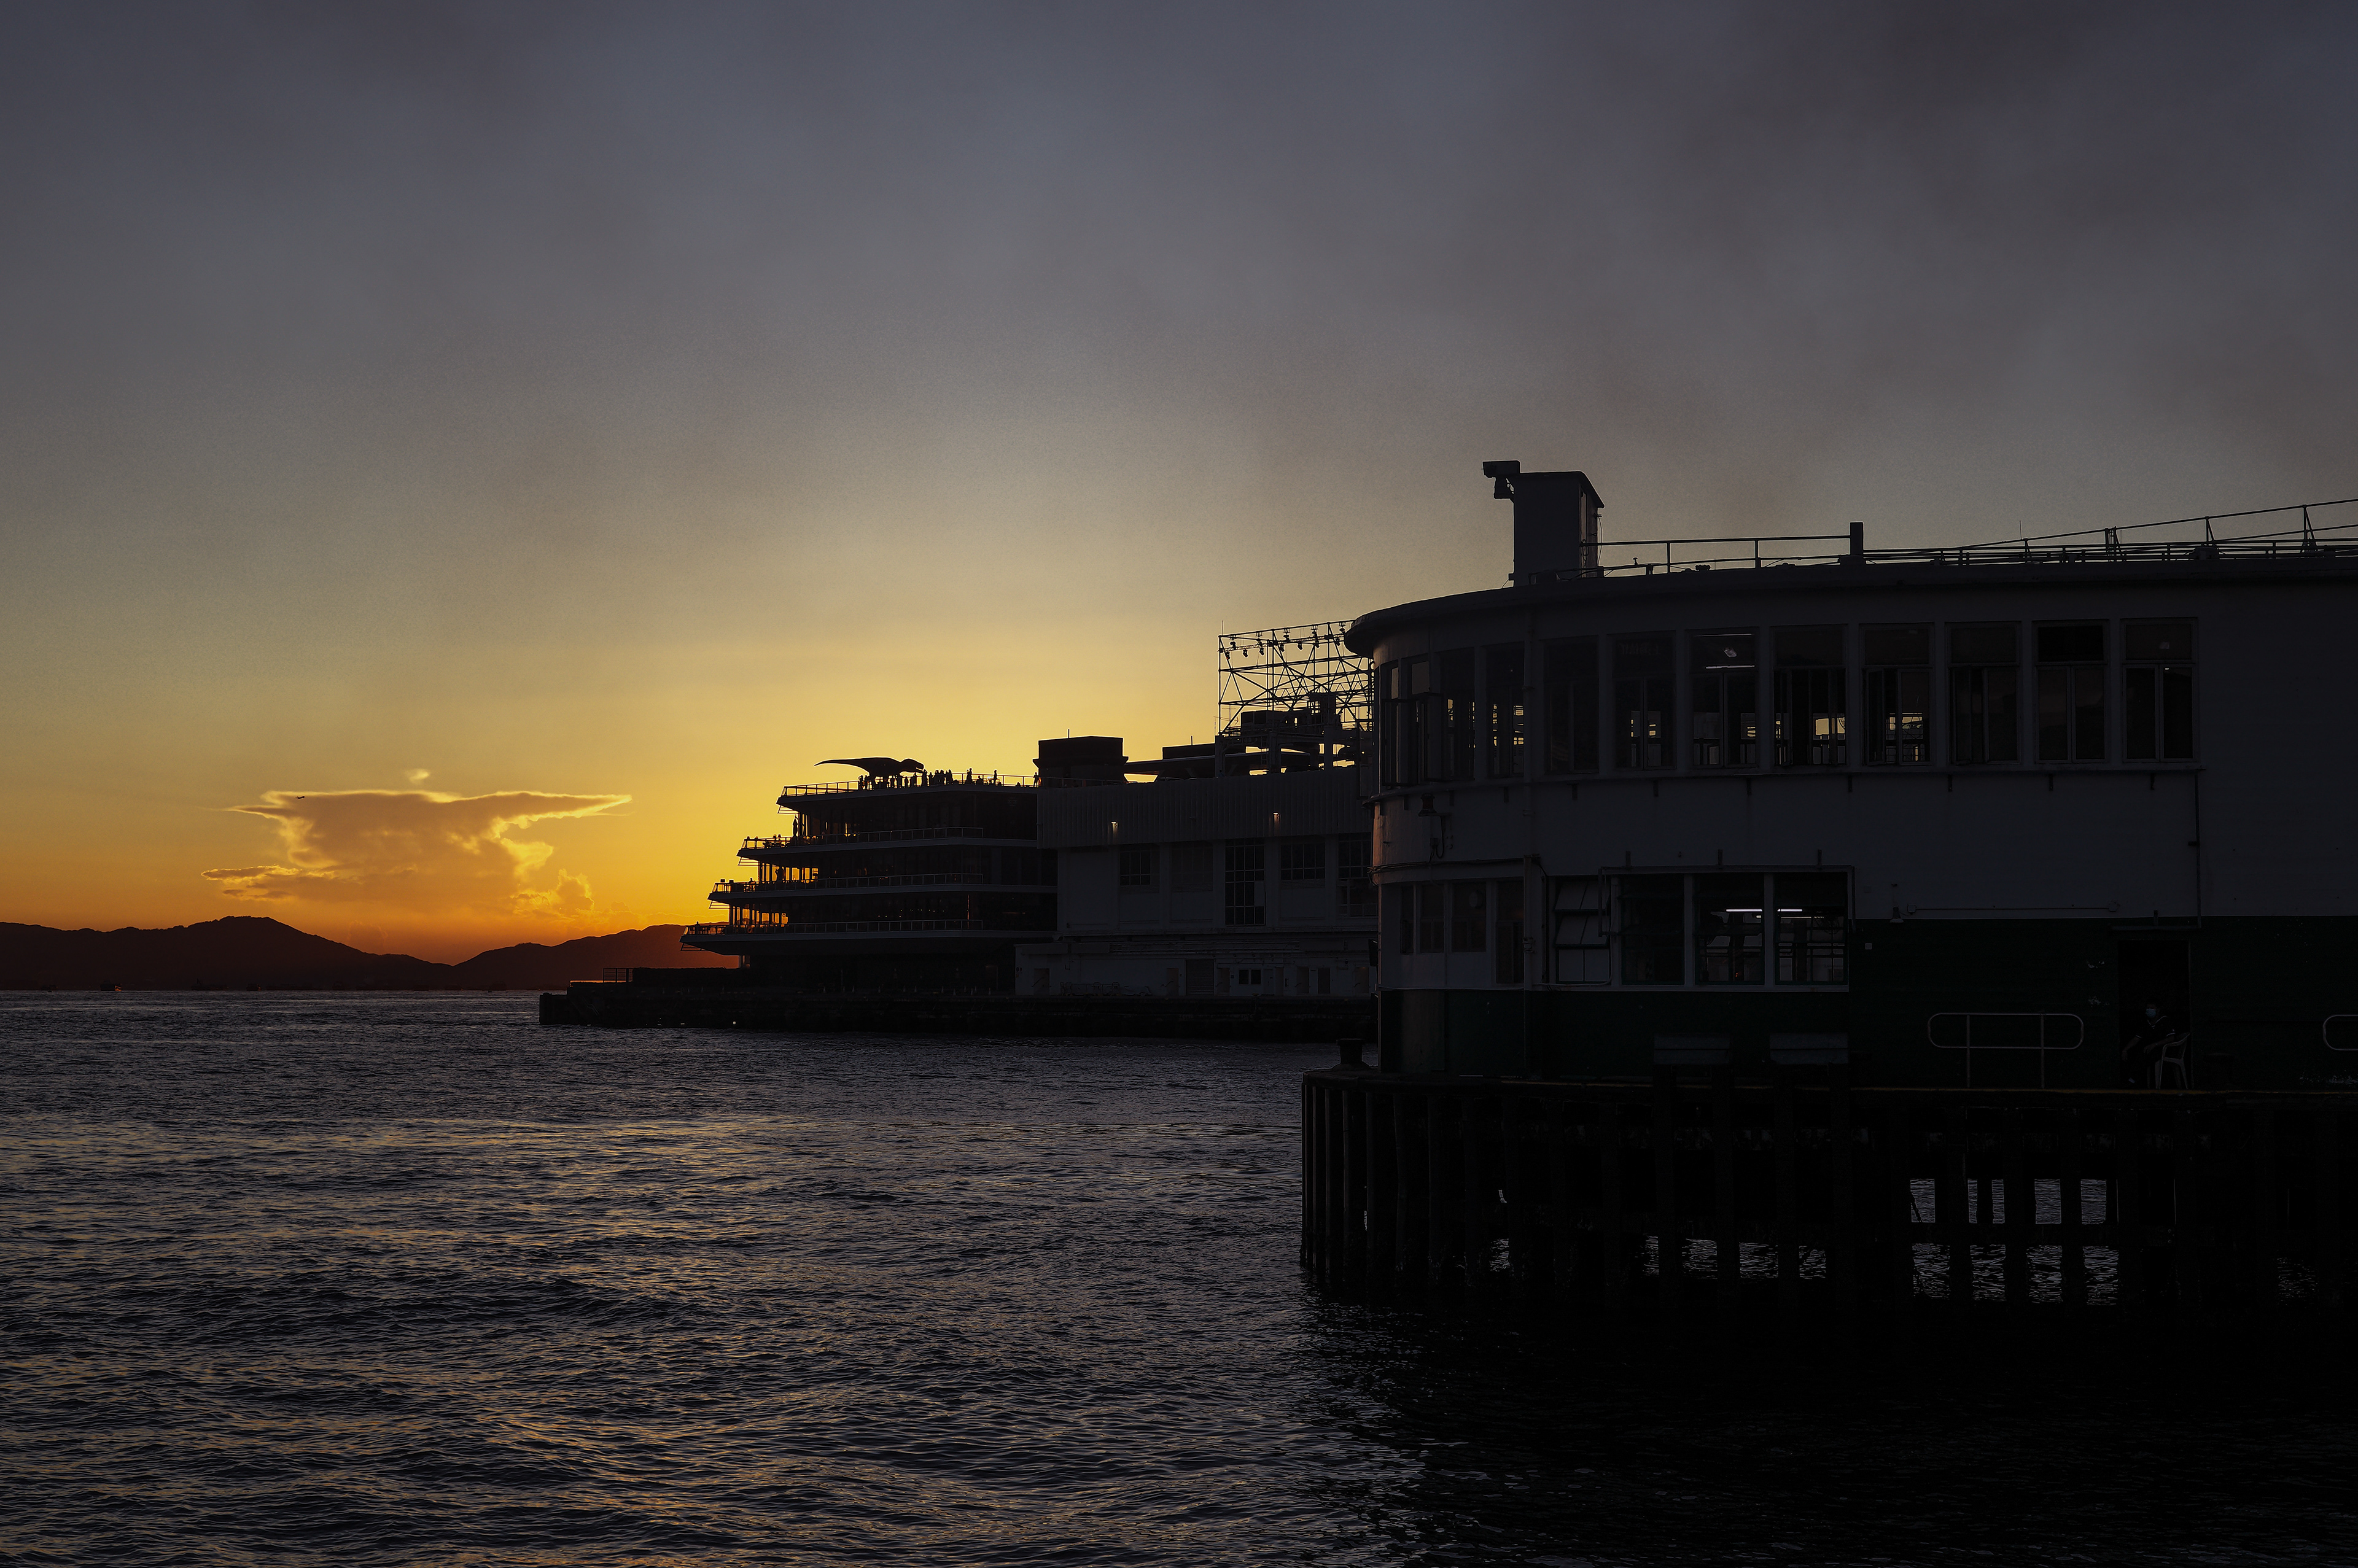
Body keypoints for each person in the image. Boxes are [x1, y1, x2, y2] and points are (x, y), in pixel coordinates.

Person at [2120, 1000, 2187, 1087]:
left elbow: (2171, 1038)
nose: (2149, 1010)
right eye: (2148, 1008)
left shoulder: (2165, 1021)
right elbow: (2136, 1039)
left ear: (2158, 1010)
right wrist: (2125, 1050)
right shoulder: (2146, 1023)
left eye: (2152, 1008)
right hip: (2149, 1049)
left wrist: (2155, 1045)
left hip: (2163, 1050)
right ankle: (2130, 1079)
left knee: (2145, 1056)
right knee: (2136, 1053)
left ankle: (2132, 1081)